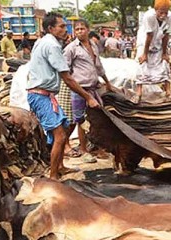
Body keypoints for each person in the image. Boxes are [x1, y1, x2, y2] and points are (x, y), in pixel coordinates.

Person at [26, 12, 100, 179]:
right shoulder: (52, 46)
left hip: (45, 94)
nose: (65, 29)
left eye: (65, 26)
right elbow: (67, 77)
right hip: (41, 95)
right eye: (61, 26)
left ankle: (60, 166)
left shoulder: (43, 42)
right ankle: (53, 176)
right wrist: (88, 97)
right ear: (51, 28)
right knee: (60, 135)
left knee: (63, 130)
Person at [63, 19, 113, 163]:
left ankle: (96, 147)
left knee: (97, 118)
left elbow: (99, 66)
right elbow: (64, 69)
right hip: (79, 89)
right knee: (81, 121)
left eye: (82, 28)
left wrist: (107, 82)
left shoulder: (93, 45)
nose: (80, 31)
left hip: (93, 87)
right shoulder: (71, 48)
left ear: (88, 29)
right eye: (77, 29)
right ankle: (83, 149)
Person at [134, 0, 171, 104]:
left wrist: (165, 53)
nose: (163, 15)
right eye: (161, 12)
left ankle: (168, 91)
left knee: (164, 62)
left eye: (166, 12)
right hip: (144, 42)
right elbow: (149, 35)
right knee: (142, 63)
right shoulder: (149, 16)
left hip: (159, 42)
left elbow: (166, 36)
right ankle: (138, 92)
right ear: (155, 10)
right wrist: (145, 54)